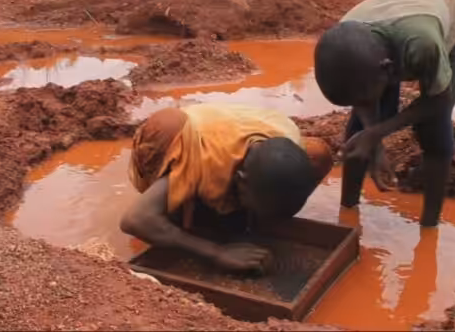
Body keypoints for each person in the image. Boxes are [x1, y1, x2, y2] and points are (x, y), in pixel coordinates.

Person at [314, 0, 455, 227]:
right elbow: (361, 98)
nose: (362, 101)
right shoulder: (348, 38)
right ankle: (347, 212)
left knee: (435, 132)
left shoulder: (424, 46)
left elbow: (438, 102)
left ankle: (429, 225)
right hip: (391, 20)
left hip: (444, 14)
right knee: (359, 132)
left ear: (389, 70)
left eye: (365, 94)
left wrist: (379, 130)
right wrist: (373, 139)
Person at [121, 103, 333, 271]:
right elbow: (135, 220)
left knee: (318, 154)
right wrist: (216, 252)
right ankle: (187, 209)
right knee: (186, 220)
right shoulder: (200, 160)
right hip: (176, 134)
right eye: (254, 206)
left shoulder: (289, 137)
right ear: (240, 179)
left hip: (224, 123)